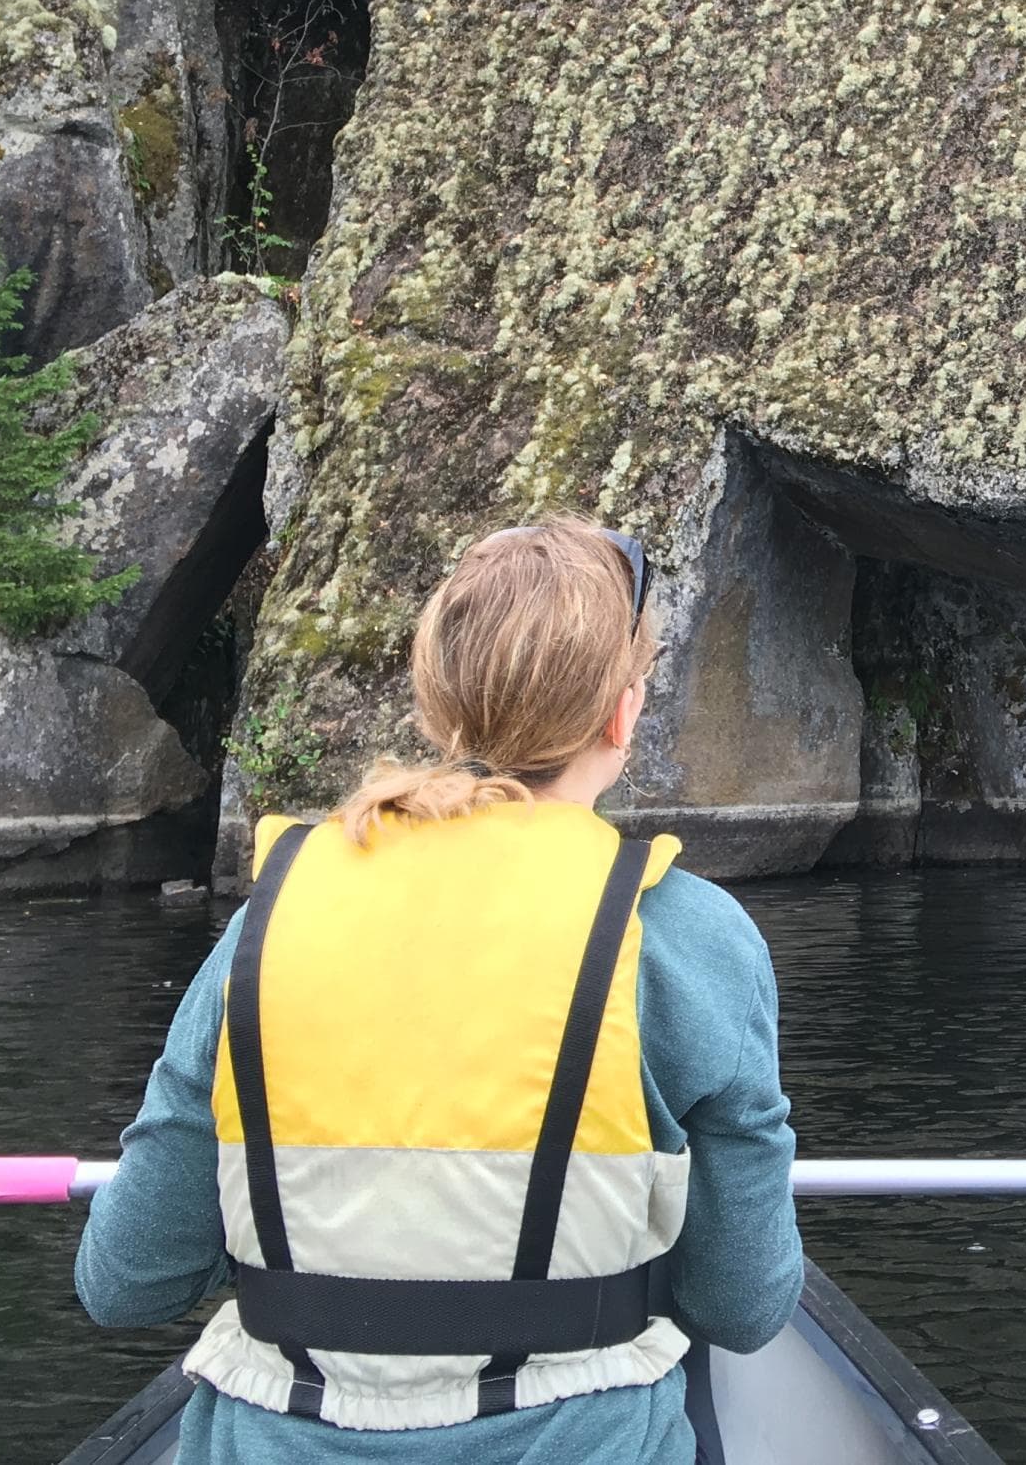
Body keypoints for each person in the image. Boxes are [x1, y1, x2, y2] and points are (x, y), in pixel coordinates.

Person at [77, 515, 803, 1461]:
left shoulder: (270, 919)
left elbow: (128, 1281)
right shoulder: (686, 937)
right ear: (623, 715)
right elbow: (742, 1308)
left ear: (434, 708)